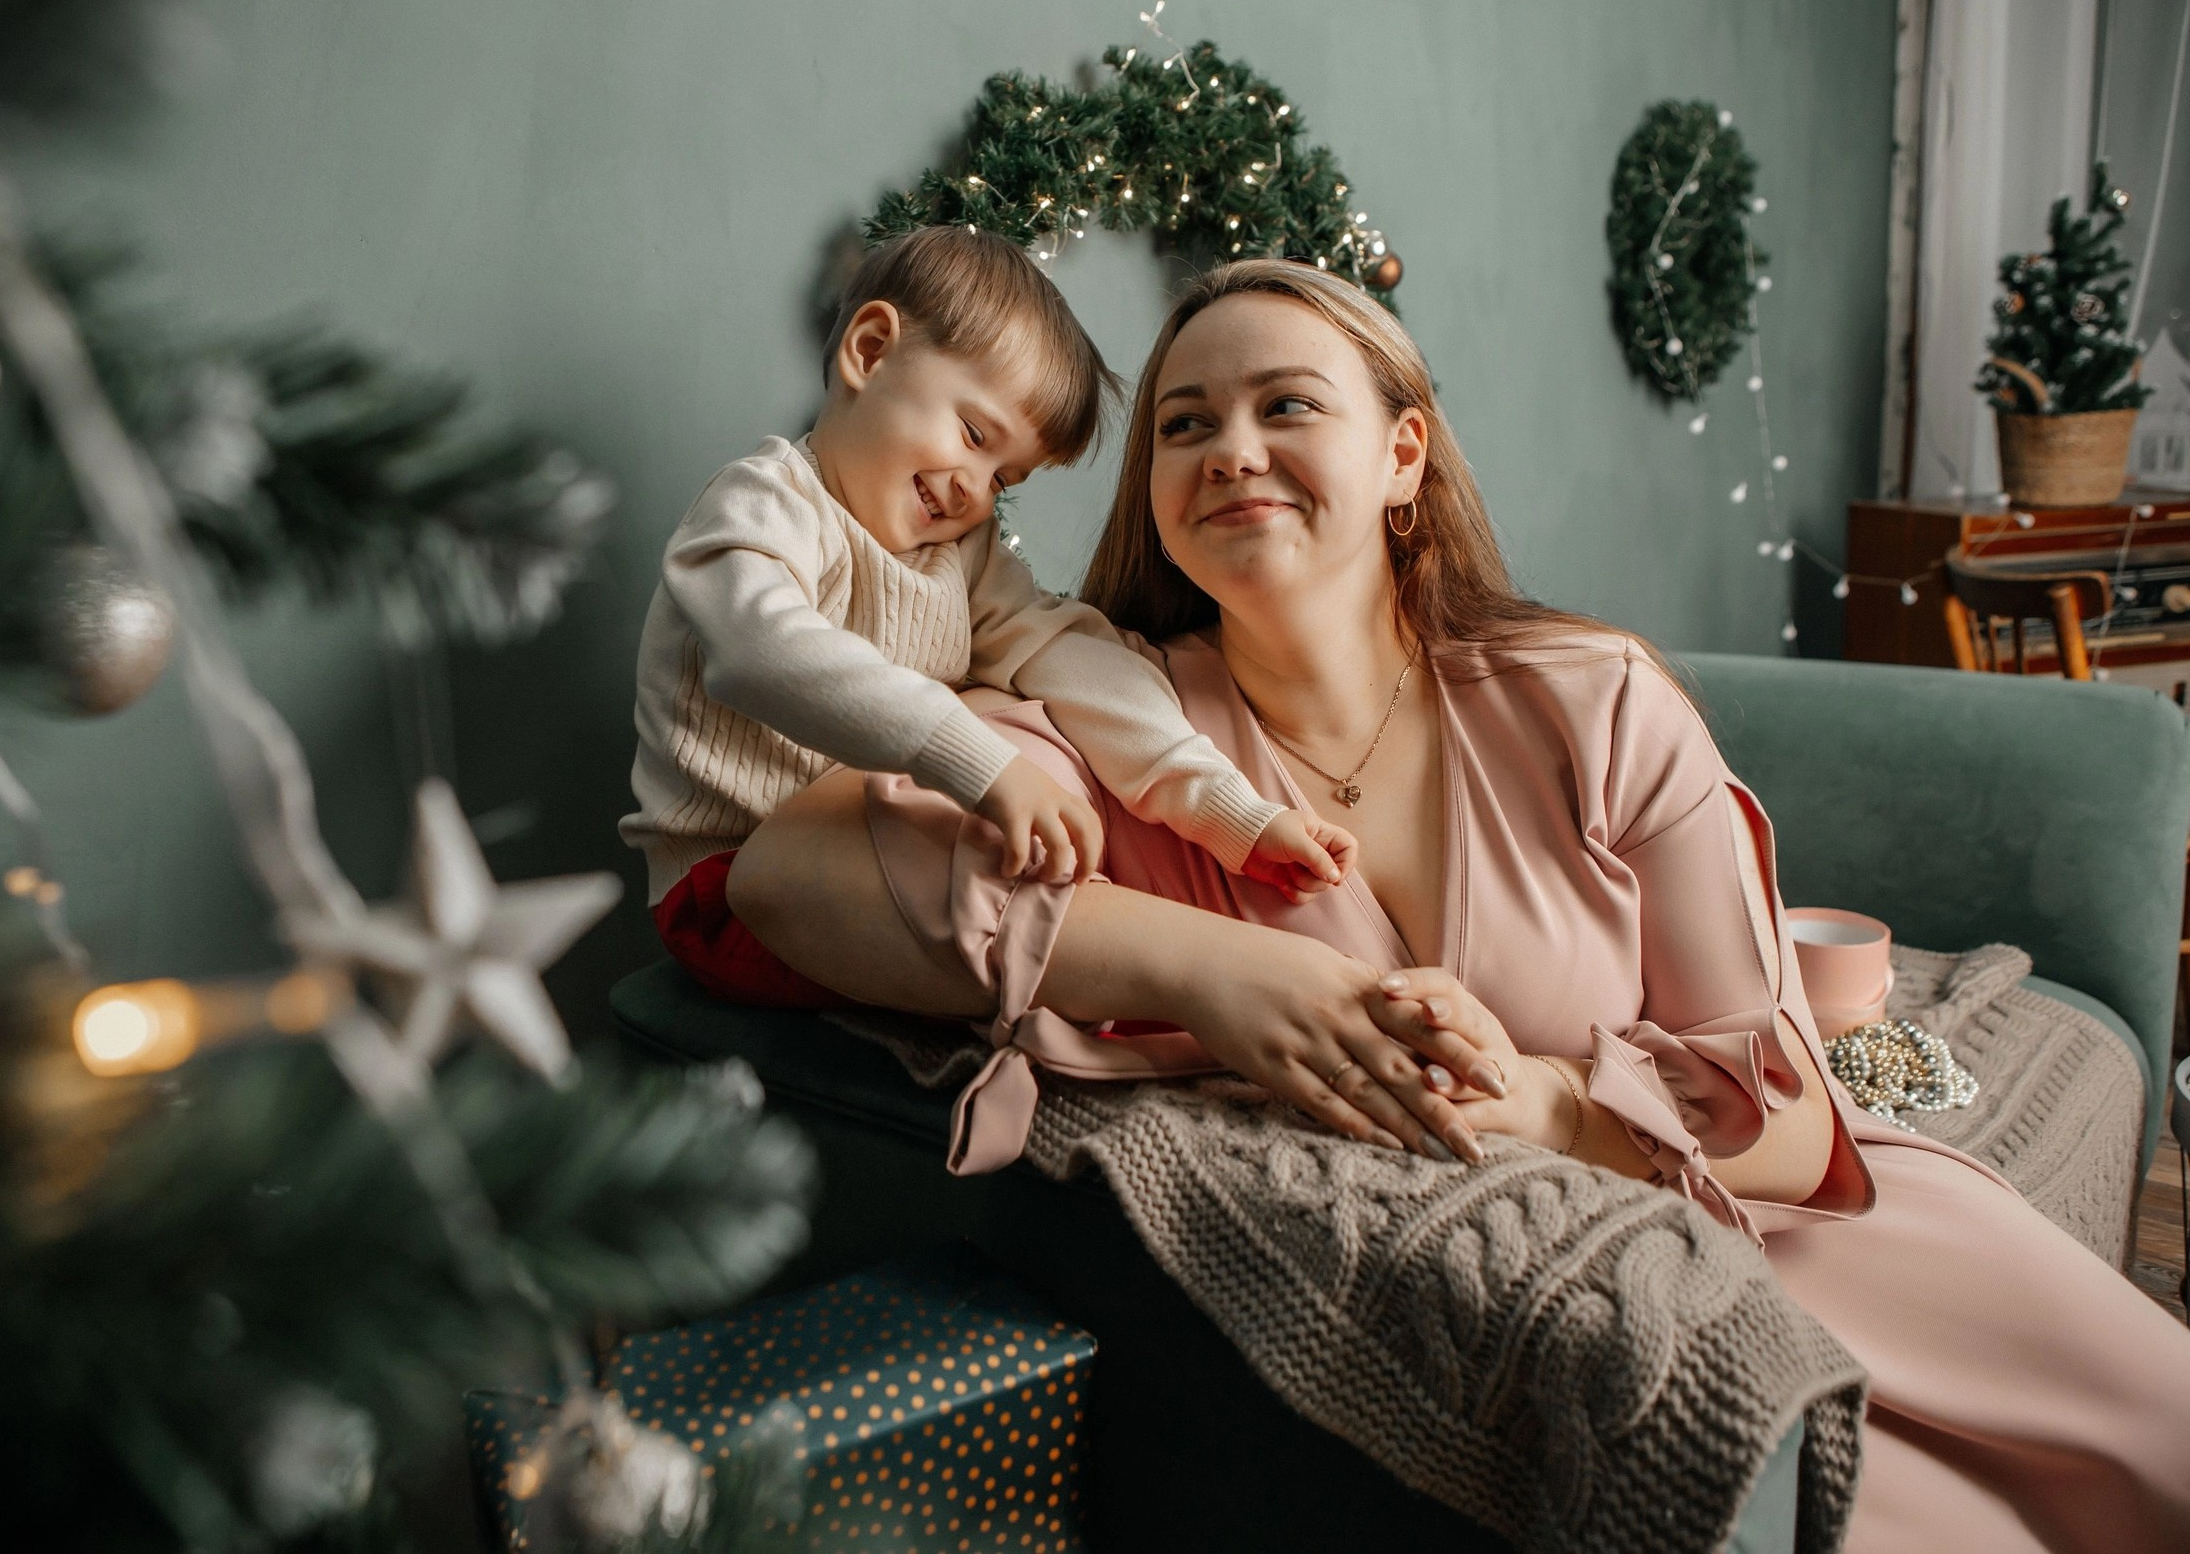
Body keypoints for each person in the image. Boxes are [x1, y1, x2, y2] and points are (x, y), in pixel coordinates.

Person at [724, 258, 2190, 1551]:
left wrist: (1556, 1106)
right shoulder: (1121, 726)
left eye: (1286, 405)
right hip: (1663, 1312)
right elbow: (785, 873)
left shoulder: (1589, 697)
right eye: (1185, 423)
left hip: (1812, 1236)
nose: (1232, 448)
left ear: (1403, 456)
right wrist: (1232, 971)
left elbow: (1795, 1119)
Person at [621, 226, 1355, 1015]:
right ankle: (1191, 998)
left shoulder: (958, 550)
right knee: (1045, 896)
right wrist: (980, 760)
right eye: (973, 434)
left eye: (1004, 476)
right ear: (870, 352)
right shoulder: (763, 505)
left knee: (1051, 705)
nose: (975, 489)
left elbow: (1066, 654)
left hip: (876, 847)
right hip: (735, 894)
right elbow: (761, 652)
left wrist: (1226, 808)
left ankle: (1222, 979)